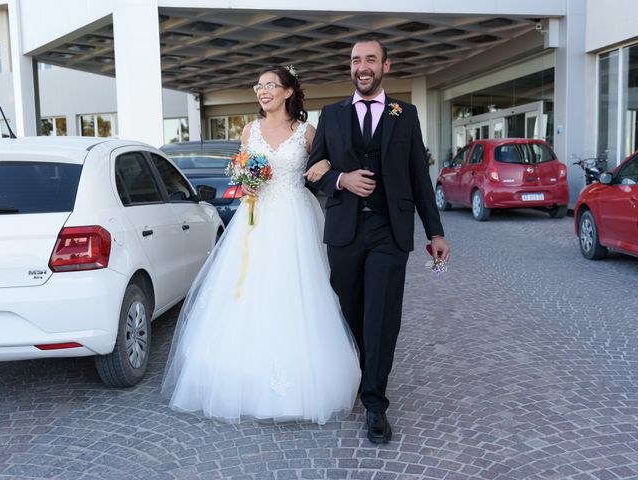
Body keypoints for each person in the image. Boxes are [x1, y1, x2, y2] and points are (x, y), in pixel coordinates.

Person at [161, 65, 361, 424]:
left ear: (288, 92)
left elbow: (328, 165)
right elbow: (243, 169)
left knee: (294, 291)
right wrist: (246, 185)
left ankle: (302, 383)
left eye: (271, 85)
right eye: (259, 85)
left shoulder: (306, 132)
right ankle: (242, 377)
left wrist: (326, 162)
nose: (262, 90)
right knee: (248, 290)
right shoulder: (248, 130)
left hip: (294, 219)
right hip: (255, 221)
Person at [305, 38, 451, 443]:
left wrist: (435, 232)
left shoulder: (405, 114)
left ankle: (374, 402)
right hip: (344, 233)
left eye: (370, 59)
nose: (362, 67)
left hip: (390, 231)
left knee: (381, 316)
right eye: (356, 60)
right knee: (349, 312)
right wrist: (341, 179)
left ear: (386, 64)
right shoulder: (331, 115)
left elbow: (420, 178)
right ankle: (356, 374)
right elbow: (310, 169)